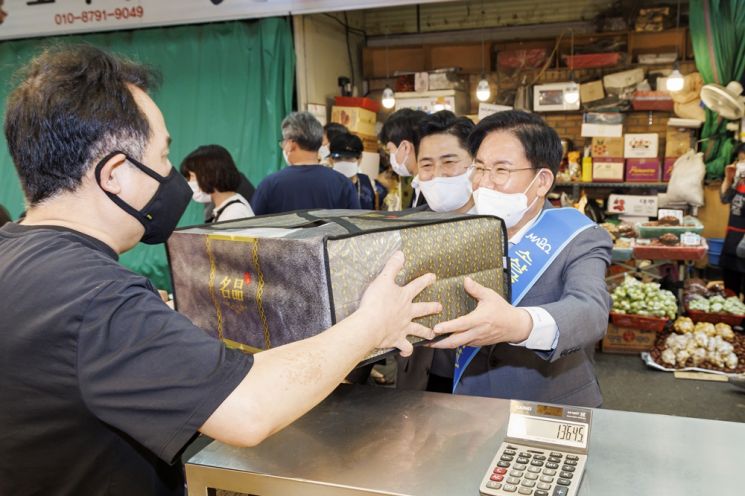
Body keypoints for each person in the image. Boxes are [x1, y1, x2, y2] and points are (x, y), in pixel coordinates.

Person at [0, 45, 441, 495]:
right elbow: (249, 409)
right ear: (114, 174)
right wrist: (373, 323)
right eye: (162, 157)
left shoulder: (15, 256)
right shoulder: (95, 298)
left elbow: (235, 375)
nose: (170, 176)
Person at [429, 110, 612, 407]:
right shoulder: (462, 230)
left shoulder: (578, 237)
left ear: (541, 182)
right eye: (479, 168)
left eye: (501, 171)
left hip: (548, 404)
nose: (484, 184)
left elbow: (590, 311)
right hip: (468, 403)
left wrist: (518, 325)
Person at [251, 112, 361, 215]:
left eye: (284, 142)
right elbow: (357, 227)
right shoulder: (343, 184)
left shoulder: (270, 185)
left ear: (291, 144)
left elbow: (252, 228)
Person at [414, 110, 475, 213]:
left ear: (475, 162)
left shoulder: (500, 223)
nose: (437, 174)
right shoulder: (412, 224)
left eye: (448, 162)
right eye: (427, 165)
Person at [180, 144, 255, 223]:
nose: (188, 182)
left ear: (209, 175)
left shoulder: (233, 213)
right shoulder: (225, 209)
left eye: (191, 176)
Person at [378, 108, 428, 208]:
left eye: (389, 150)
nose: (390, 158)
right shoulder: (417, 184)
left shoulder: (430, 189)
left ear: (405, 147)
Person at [328, 132, 387, 210]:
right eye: (338, 158)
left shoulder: (366, 181)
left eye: (349, 158)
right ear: (331, 159)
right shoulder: (325, 183)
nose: (344, 162)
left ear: (360, 159)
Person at [719, 142, 745, 296]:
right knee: (730, 289)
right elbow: (724, 199)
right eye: (741, 161)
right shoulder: (738, 184)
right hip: (732, 243)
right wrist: (729, 179)